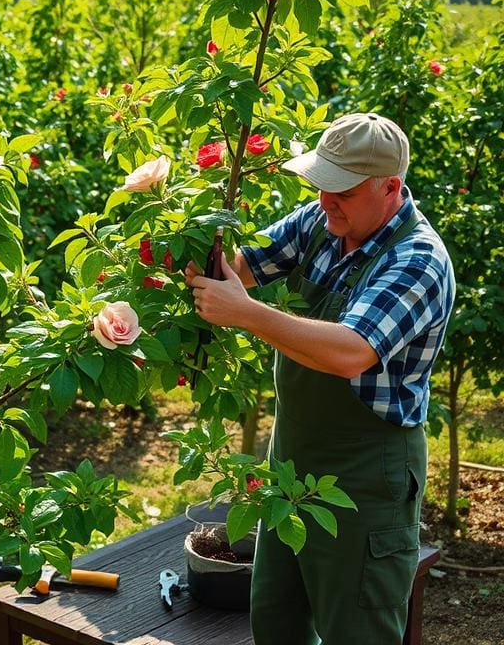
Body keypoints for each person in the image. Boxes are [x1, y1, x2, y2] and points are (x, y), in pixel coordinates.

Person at [184, 112, 455, 645]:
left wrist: (248, 313)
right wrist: (197, 241)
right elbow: (242, 266)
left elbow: (351, 352)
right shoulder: (322, 222)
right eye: (323, 186)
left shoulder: (417, 259)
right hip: (291, 461)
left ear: (390, 188)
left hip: (366, 477)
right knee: (276, 618)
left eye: (343, 192)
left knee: (357, 629)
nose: (326, 200)